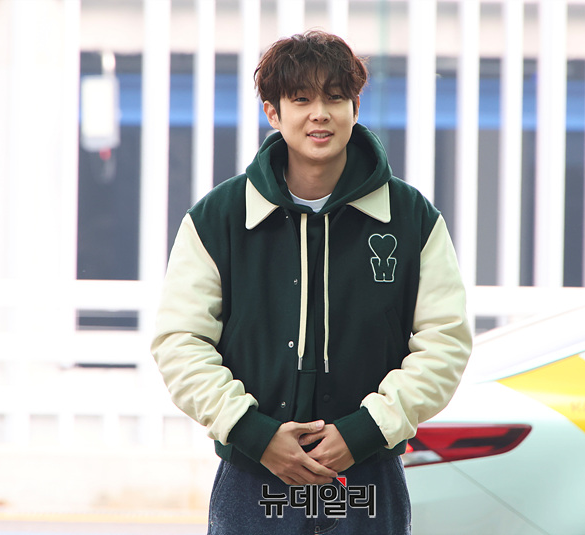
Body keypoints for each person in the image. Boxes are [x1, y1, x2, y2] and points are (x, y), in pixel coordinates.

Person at [151, 29, 472, 535]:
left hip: (366, 476)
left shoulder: (411, 219)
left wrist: (365, 431)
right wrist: (253, 433)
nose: (319, 114)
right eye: (301, 99)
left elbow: (445, 341)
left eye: (334, 97)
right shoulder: (218, 218)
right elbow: (179, 341)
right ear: (273, 113)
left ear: (355, 107)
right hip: (253, 478)